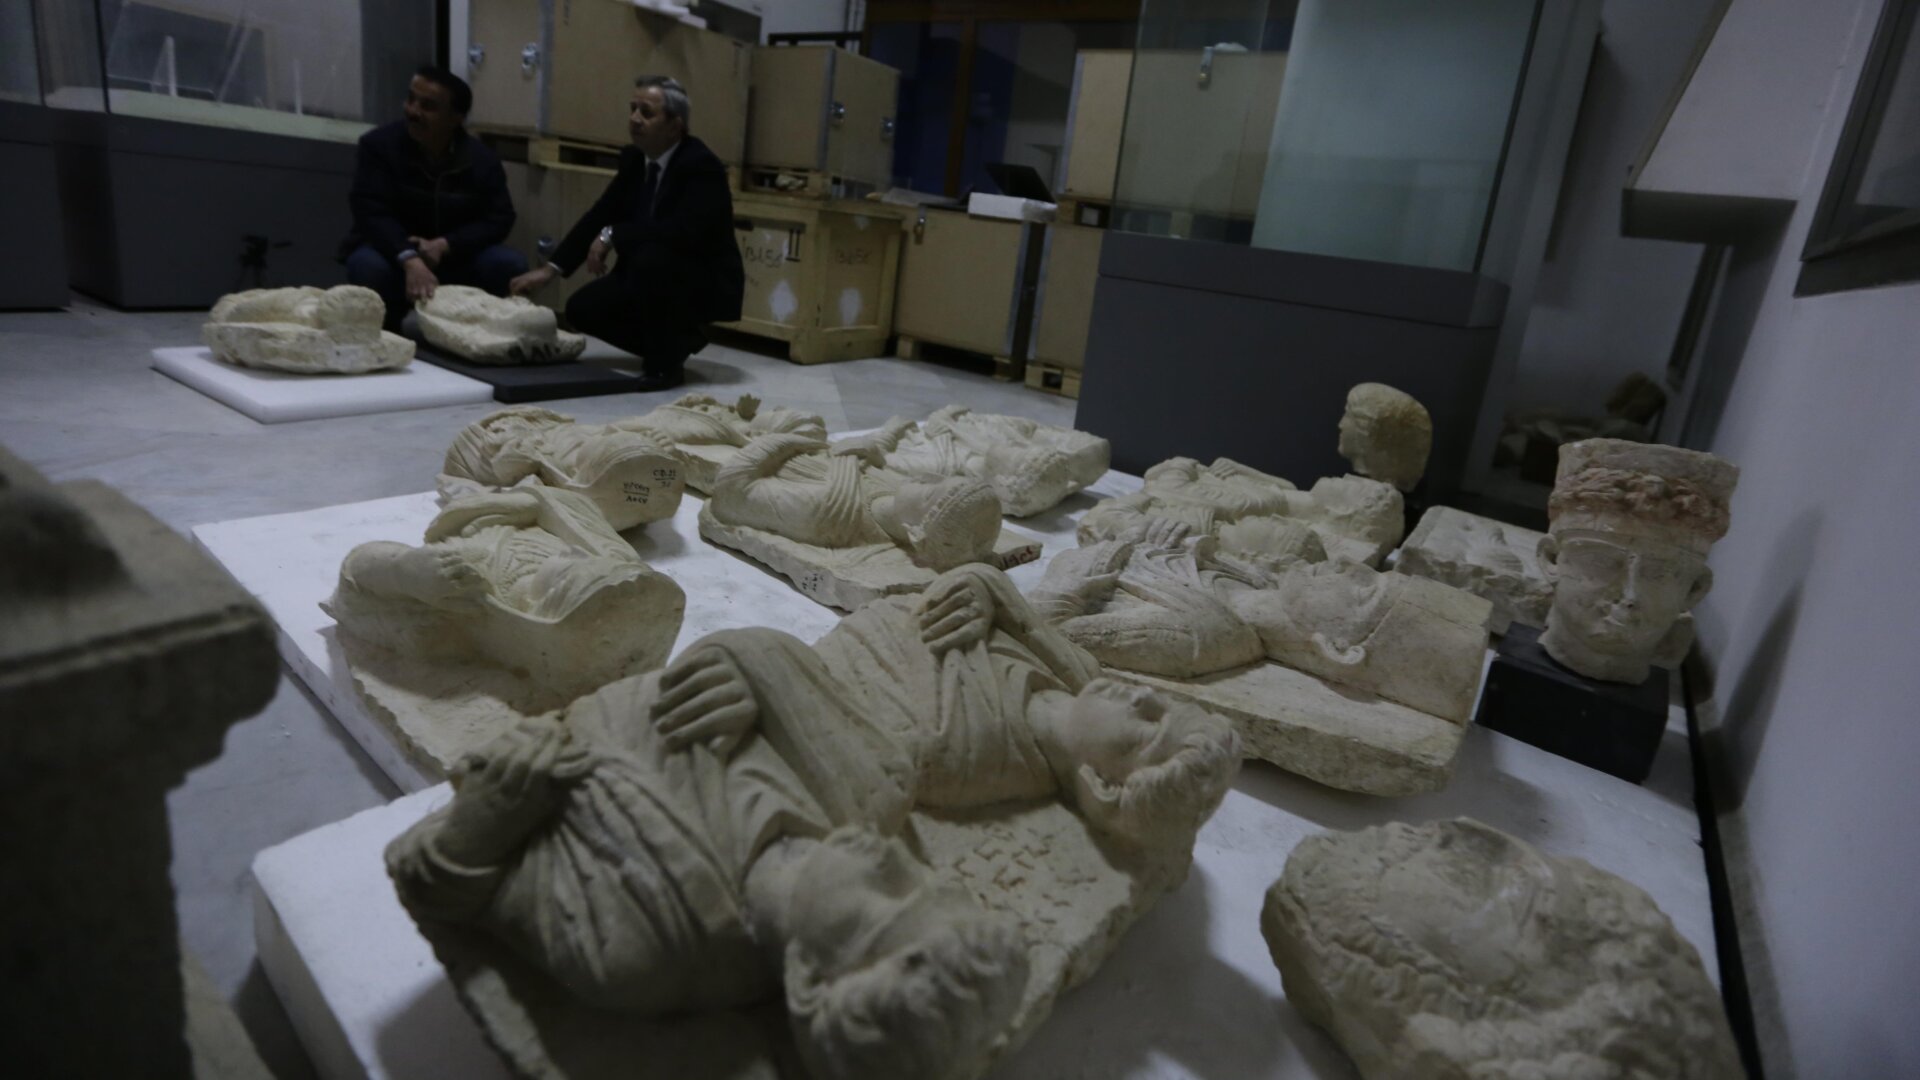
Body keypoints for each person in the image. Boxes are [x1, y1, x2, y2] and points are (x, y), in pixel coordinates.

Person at [509, 76, 746, 392]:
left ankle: (665, 366)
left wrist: (614, 235)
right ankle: (673, 342)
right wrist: (551, 270)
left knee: (653, 257)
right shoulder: (635, 159)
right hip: (648, 273)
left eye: (646, 113)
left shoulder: (701, 166)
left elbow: (682, 232)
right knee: (581, 309)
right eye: (633, 109)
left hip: (697, 279)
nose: (635, 119)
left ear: (675, 126)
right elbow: (601, 213)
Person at [340, 65, 525, 331]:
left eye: (428, 106)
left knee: (510, 264)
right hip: (392, 252)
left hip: (453, 256)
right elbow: (370, 210)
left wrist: (445, 245)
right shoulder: (378, 146)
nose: (413, 111)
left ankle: (476, 336)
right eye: (411, 99)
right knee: (367, 266)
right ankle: (382, 337)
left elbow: (500, 218)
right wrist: (409, 258)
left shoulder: (482, 161)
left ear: (456, 118)